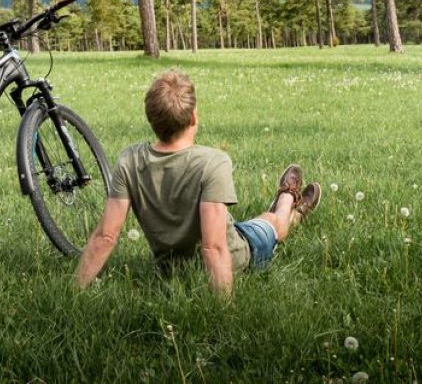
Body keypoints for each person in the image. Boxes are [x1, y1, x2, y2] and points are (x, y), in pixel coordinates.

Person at [74, 69, 320, 296]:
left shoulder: (129, 160)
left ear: (151, 118)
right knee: (272, 224)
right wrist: (224, 313)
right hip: (237, 257)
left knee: (247, 225)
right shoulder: (213, 162)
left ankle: (291, 209)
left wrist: (74, 291)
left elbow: (105, 236)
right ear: (193, 117)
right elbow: (214, 247)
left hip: (171, 270)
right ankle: (288, 203)